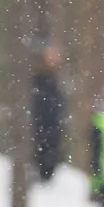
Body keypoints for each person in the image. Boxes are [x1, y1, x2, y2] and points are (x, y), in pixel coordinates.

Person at [31, 41, 65, 183]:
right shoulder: (37, 81)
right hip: (40, 135)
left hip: (51, 134)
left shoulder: (54, 80)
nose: (55, 58)